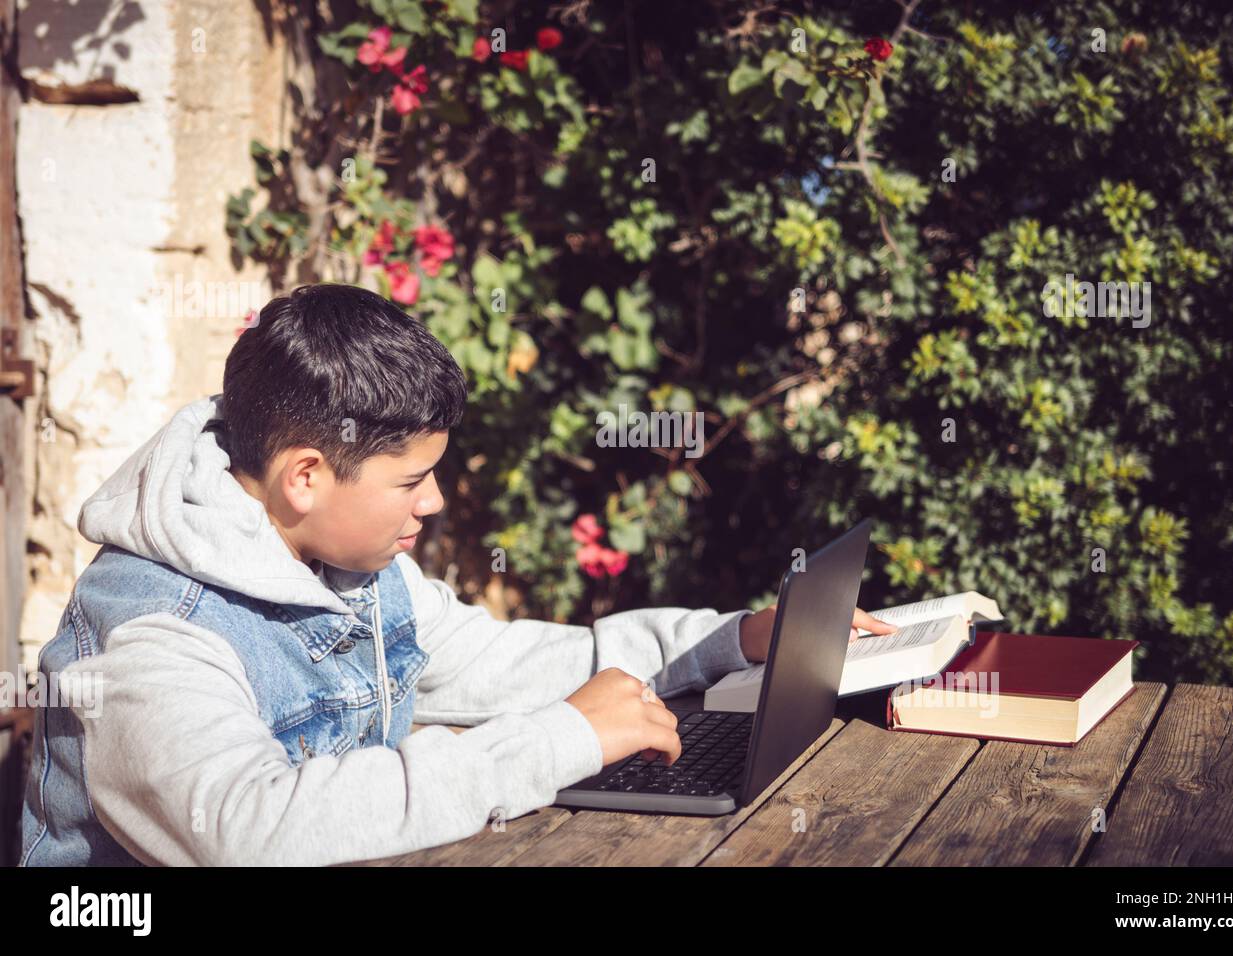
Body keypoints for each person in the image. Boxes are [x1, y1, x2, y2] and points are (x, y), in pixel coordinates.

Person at [16, 283, 893, 866]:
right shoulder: (153, 634)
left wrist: (727, 639)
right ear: (307, 476)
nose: (433, 503)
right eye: (410, 480)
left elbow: (495, 662)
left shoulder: (342, 565)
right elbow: (249, 829)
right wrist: (555, 742)